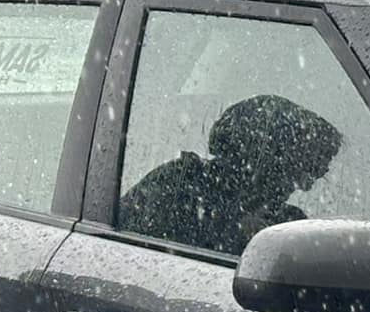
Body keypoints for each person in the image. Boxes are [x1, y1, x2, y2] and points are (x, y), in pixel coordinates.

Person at [118, 94, 342, 253]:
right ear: (264, 160)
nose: (306, 187)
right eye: (306, 170)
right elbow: (138, 257)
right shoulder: (175, 187)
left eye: (317, 172)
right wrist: (237, 232)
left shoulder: (288, 225)